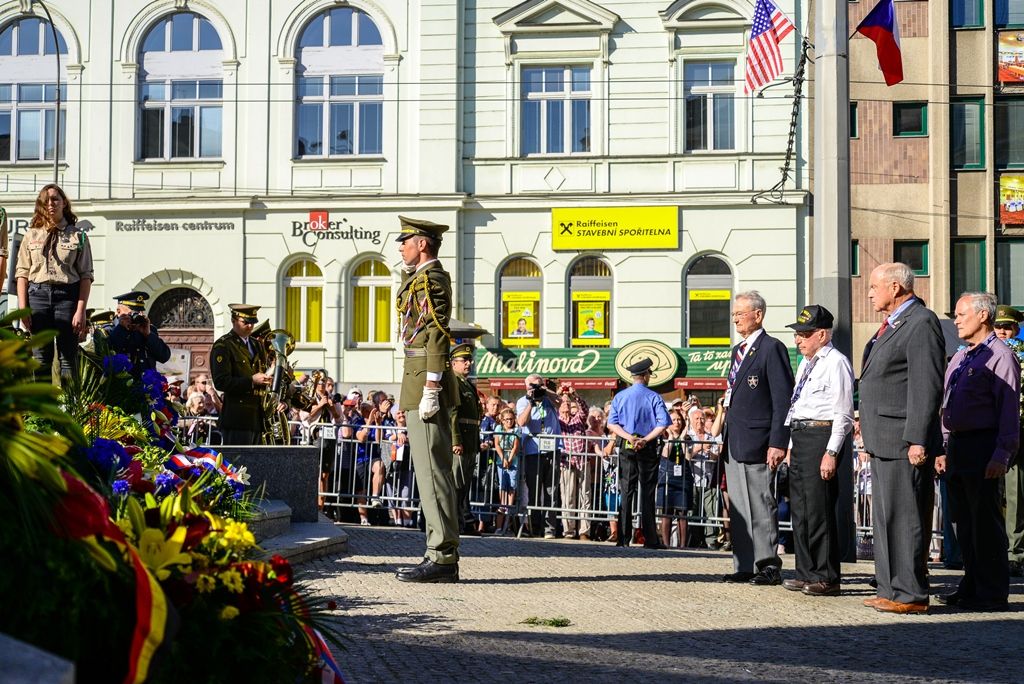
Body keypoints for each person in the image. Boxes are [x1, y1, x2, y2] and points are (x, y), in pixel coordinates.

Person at [859, 262, 944, 614]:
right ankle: (890, 587)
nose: (869, 292)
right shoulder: (891, 325)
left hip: (902, 439)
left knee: (907, 516)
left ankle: (911, 593)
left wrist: (918, 438)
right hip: (883, 439)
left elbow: (926, 385)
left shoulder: (921, 322)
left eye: (875, 286)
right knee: (885, 517)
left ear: (895, 287)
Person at [936, 293, 1020, 612]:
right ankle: (971, 584)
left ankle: (992, 591)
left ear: (983, 316)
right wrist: (944, 445)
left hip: (984, 444)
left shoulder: (1001, 356)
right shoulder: (960, 358)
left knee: (985, 521)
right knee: (964, 522)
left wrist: (1002, 453)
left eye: (960, 314)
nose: (956, 320)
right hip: (959, 445)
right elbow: (948, 403)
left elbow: (1008, 411)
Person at [393, 217, 461, 584]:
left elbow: (435, 334)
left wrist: (432, 387)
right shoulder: (417, 278)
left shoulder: (432, 279)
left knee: (434, 474)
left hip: (425, 382)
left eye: (405, 240)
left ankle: (443, 556)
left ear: (422, 244)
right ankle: (437, 550)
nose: (400, 246)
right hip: (416, 379)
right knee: (428, 474)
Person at [721, 290, 795, 585]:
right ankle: (745, 562)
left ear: (758, 314)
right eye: (734, 314)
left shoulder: (771, 348)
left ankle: (767, 563)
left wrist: (778, 441)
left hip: (760, 440)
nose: (736, 318)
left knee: (762, 503)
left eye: (740, 313)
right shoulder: (737, 351)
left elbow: (782, 399)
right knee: (739, 505)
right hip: (735, 439)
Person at [780, 305, 854, 597]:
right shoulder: (805, 364)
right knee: (800, 509)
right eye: (798, 334)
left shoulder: (836, 362)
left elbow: (844, 412)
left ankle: (826, 576)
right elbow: (797, 405)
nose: (799, 340)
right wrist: (789, 445)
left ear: (822, 335)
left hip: (822, 434)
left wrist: (832, 451)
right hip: (801, 435)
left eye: (805, 334)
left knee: (820, 509)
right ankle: (805, 570)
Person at [15, 184, 94, 382]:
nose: (51, 204)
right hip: (38, 297)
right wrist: (23, 308)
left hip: (67, 298)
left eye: (55, 199)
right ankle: (43, 411)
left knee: (68, 358)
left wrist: (80, 310)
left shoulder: (79, 236)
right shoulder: (30, 236)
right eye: (46, 200)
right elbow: (22, 274)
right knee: (41, 358)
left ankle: (68, 409)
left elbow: (86, 276)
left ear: (64, 203)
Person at [607, 358, 672, 549]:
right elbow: (662, 424)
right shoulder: (654, 397)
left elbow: (612, 424)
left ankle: (623, 538)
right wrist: (644, 440)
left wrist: (629, 437)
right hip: (647, 447)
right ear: (644, 376)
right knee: (647, 492)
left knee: (626, 491)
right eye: (649, 374)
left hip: (627, 446)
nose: (650, 377)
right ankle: (650, 538)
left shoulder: (620, 396)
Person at [210, 304, 273, 445]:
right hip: (236, 418)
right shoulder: (223, 345)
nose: (250, 326)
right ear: (233, 320)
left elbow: (260, 370)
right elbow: (221, 382)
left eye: (253, 322)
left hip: (257, 417)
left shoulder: (257, 345)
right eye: (246, 322)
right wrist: (251, 381)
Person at [993, 304, 1024, 578]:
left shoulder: (1022, 355)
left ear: (1017, 328)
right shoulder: (983, 354)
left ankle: (1014, 553)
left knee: (1015, 496)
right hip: (988, 435)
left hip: (1017, 434)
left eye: (1008, 327)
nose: (1003, 332)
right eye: (998, 327)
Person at [516, 373, 562, 539]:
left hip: (552, 449)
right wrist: (530, 402)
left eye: (539, 384)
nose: (536, 388)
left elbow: (560, 403)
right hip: (533, 451)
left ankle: (550, 528)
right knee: (534, 491)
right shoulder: (522, 401)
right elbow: (521, 423)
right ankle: (535, 527)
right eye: (532, 385)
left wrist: (544, 390)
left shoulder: (549, 398)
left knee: (552, 490)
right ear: (526, 386)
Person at [449, 344, 482, 535]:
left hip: (470, 442)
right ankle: (453, 524)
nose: (469, 363)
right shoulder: (454, 382)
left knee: (463, 488)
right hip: (460, 443)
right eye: (464, 360)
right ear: (453, 363)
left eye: (470, 360)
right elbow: (453, 413)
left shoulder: (467, 383)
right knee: (456, 486)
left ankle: (460, 523)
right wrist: (455, 440)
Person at [102, 291, 172, 374]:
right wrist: (121, 329)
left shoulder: (148, 329)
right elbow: (105, 354)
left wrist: (148, 335)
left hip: (146, 384)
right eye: (131, 313)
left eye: (139, 312)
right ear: (119, 311)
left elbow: (164, 357)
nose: (136, 315)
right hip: (123, 384)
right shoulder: (109, 330)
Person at [557, 386, 591, 540]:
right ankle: (569, 530)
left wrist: (574, 394)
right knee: (568, 497)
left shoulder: (578, 418)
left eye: (568, 403)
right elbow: (550, 406)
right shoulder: (557, 421)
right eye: (563, 403)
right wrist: (557, 395)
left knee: (585, 496)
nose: (566, 405)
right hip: (566, 462)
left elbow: (584, 409)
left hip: (582, 461)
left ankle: (584, 531)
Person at [686, 404, 721, 548]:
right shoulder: (688, 436)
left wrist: (711, 453)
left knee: (710, 510)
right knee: (693, 510)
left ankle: (711, 540)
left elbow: (715, 456)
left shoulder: (710, 436)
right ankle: (694, 539)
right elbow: (686, 456)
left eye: (702, 418)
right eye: (696, 418)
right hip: (692, 479)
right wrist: (699, 447)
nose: (699, 421)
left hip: (708, 478)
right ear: (691, 420)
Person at [658, 411, 691, 548]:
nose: (677, 422)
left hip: (682, 477)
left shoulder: (686, 437)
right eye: (673, 420)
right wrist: (671, 437)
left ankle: (683, 545)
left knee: (682, 512)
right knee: (666, 512)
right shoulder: (663, 436)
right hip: (667, 476)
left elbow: (688, 457)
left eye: (679, 420)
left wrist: (682, 439)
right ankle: (666, 544)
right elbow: (665, 454)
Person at [493, 407, 521, 535]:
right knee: (502, 486)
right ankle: (499, 524)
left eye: (511, 419)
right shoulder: (498, 429)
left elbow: (515, 446)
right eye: (507, 420)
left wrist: (509, 459)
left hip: (513, 461)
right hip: (501, 462)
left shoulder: (517, 430)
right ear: (502, 421)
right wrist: (503, 458)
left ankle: (508, 513)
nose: (509, 422)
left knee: (512, 486)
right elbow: (497, 444)